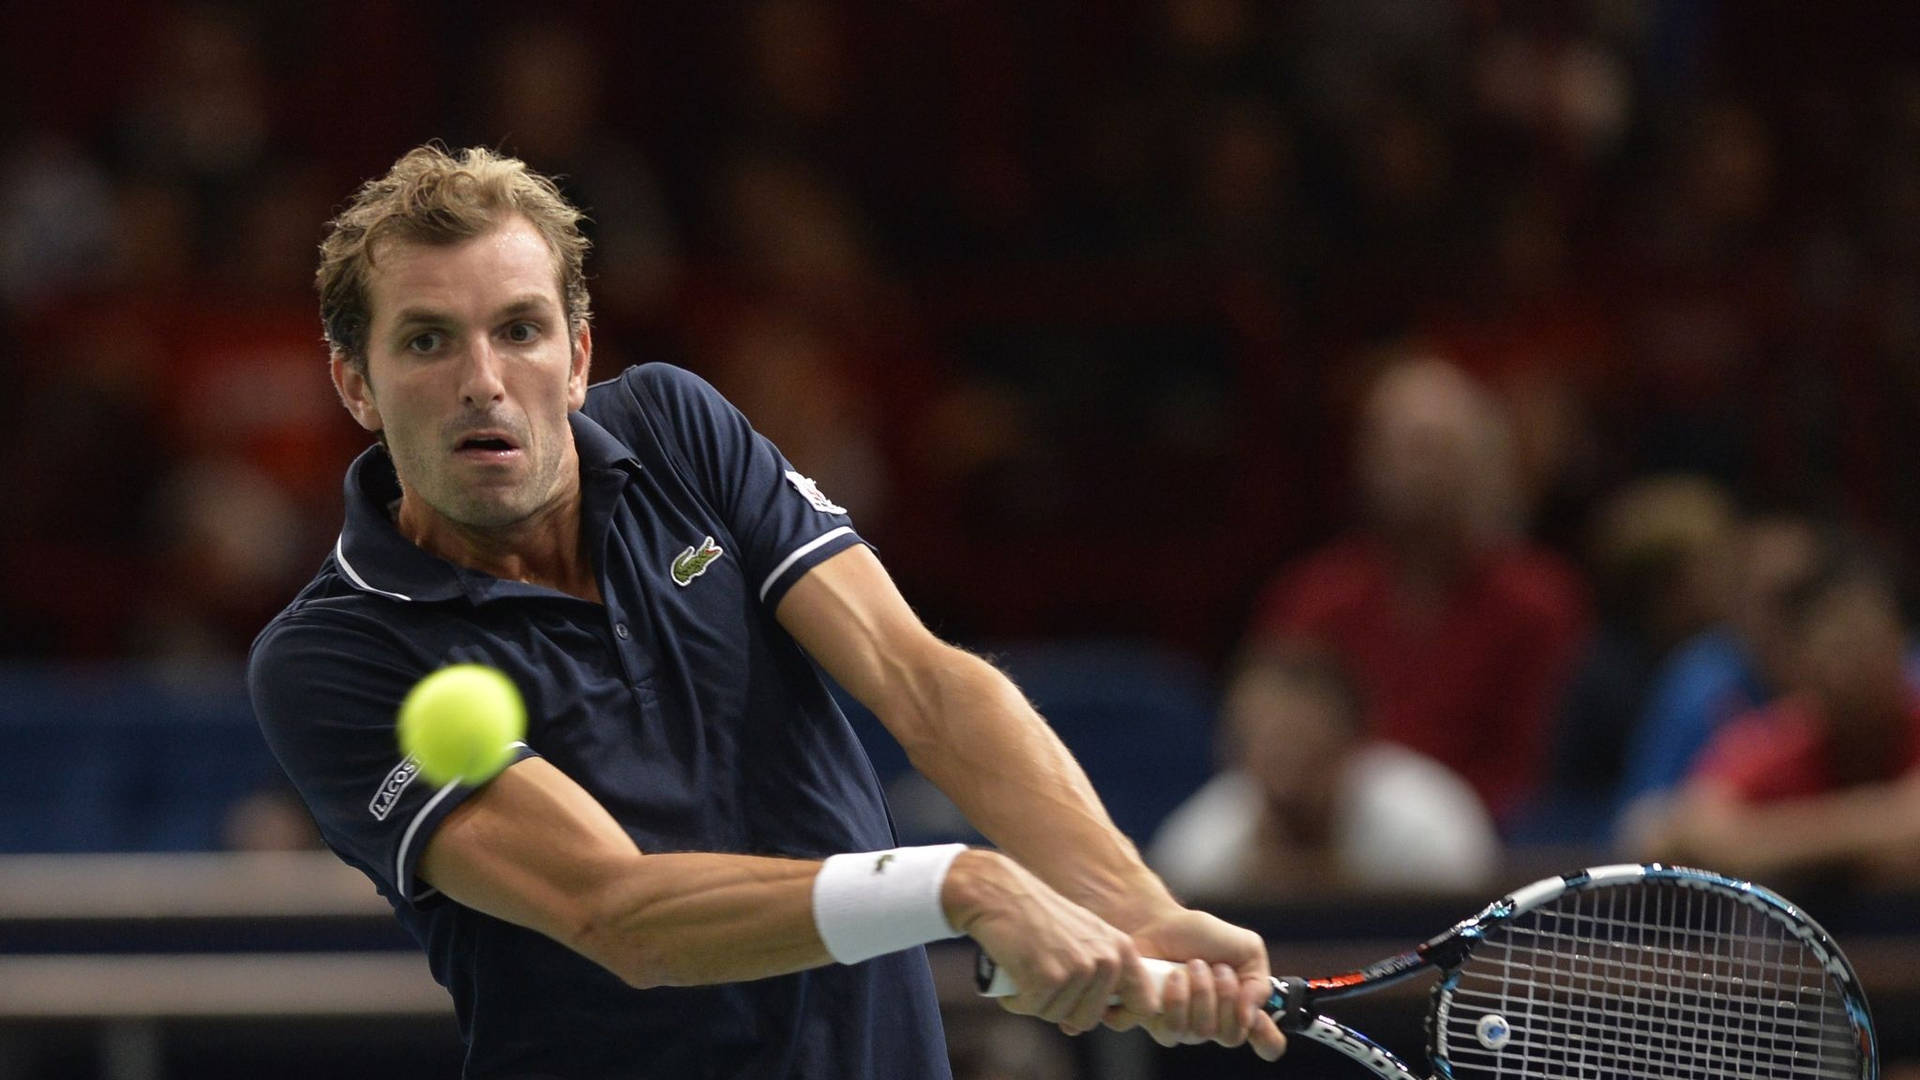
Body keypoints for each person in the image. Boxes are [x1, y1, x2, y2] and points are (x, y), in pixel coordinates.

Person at [247, 144, 1285, 1078]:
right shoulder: (332, 657)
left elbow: (922, 683)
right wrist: (960, 886)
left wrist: (1135, 907)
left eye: (519, 329)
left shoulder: (674, 428)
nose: (484, 380)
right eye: (428, 342)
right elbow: (619, 913)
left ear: (577, 357)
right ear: (355, 385)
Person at [1249, 355, 1588, 824]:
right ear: (1367, 460)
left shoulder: (1538, 604)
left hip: (1483, 857)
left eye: (1440, 449)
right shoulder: (1315, 599)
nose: (1420, 471)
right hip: (1323, 843)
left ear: (1485, 463)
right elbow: (1269, 736)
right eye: (1404, 448)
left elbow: (1538, 767)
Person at [1625, 536, 1920, 884]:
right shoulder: (1771, 739)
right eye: (1837, 648)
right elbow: (1660, 833)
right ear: (1799, 660)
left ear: (1900, 643)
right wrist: (1872, 828)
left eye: (1867, 643)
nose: (1850, 668)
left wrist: (1762, 841)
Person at [1149, 644, 1498, 898]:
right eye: (1260, 739)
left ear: (1352, 741)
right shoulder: (1198, 848)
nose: (1284, 762)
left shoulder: (1429, 826)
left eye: (1299, 739)